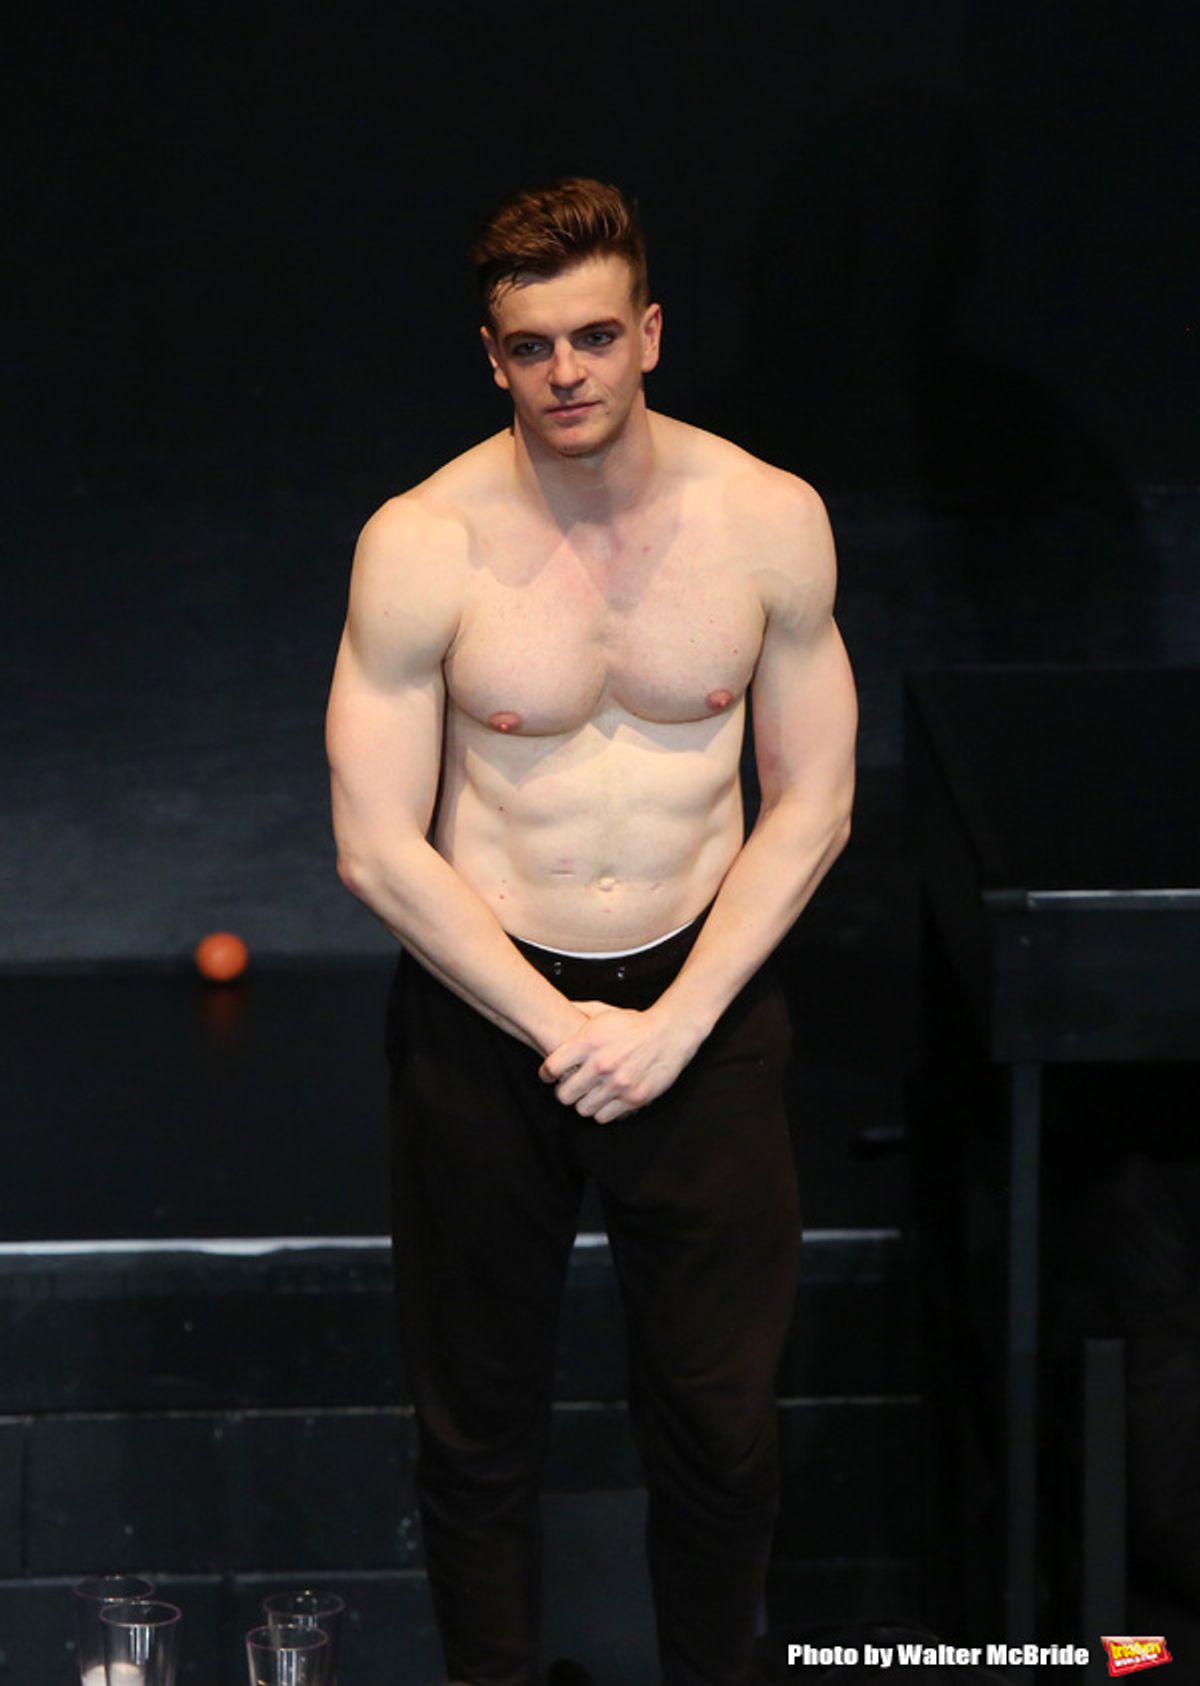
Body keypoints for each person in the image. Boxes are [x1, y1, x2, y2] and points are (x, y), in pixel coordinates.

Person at [326, 178, 858, 1686]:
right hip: (489, 1014)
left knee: (722, 1423)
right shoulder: (421, 542)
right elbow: (376, 843)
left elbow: (813, 800)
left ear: (651, 335)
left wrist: (676, 1023)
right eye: (532, 345)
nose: (566, 372)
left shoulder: (767, 520)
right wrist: (560, 1026)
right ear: (492, 357)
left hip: (703, 1006)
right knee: (475, 1423)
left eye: (596, 336)